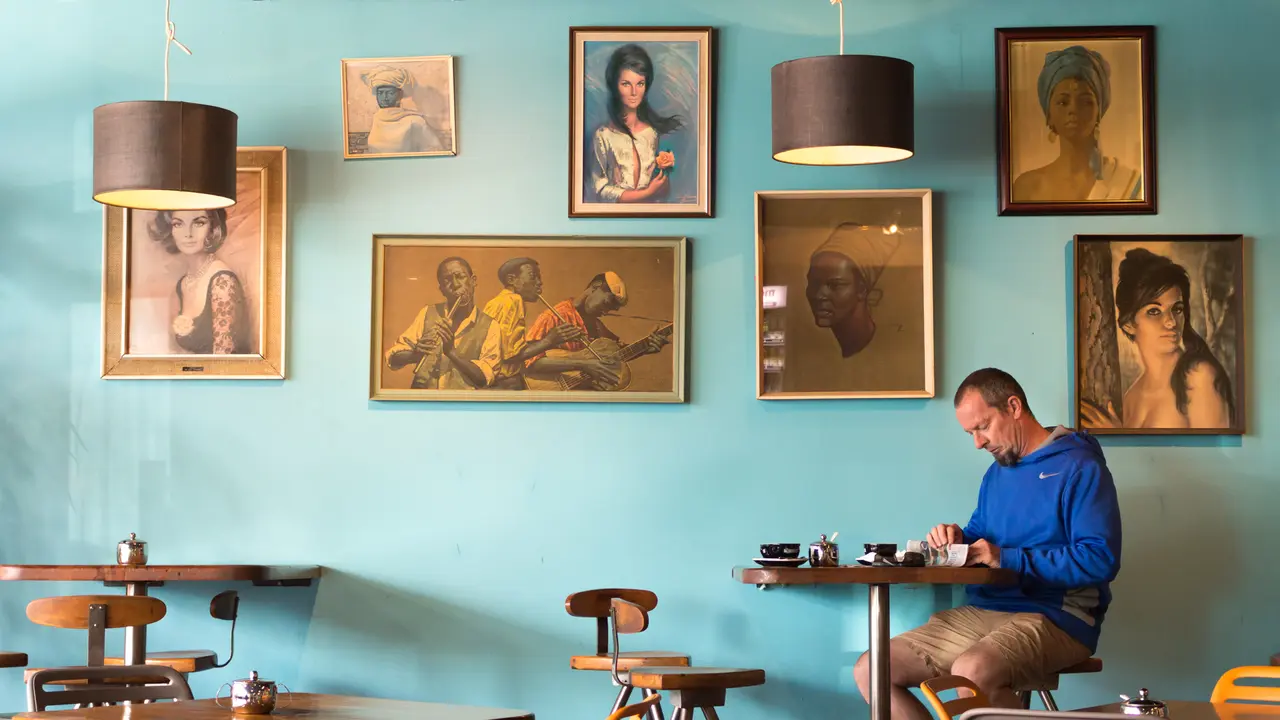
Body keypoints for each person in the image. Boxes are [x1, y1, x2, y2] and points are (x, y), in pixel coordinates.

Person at [853, 368, 1122, 718]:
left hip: (1058, 614)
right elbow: (984, 537)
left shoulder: (1080, 467)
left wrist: (1007, 557)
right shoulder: (997, 473)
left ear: (1013, 407)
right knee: (872, 669)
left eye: (982, 427)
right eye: (970, 433)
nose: (978, 442)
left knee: (973, 670)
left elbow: (1100, 559)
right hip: (985, 611)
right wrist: (958, 539)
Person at [1080, 248, 1234, 429]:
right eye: (1154, 311)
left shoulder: (1199, 377)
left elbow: (1215, 455)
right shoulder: (1130, 398)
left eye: (1176, 309)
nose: (1171, 322)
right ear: (1129, 324)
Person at [1011, 45, 1141, 203]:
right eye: (1063, 102)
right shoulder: (1027, 188)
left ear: (1098, 113)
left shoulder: (1130, 183)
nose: (1073, 109)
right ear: (1049, 115)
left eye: (1085, 102)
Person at [523, 271, 667, 389]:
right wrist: (585, 365)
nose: (606, 312)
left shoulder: (596, 325)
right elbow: (528, 362)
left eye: (611, 309)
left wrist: (645, 347)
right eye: (606, 303)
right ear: (595, 286)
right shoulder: (553, 316)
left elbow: (614, 354)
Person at [384, 257, 506, 390]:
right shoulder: (427, 313)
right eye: (447, 280)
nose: (455, 284)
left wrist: (451, 352)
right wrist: (415, 354)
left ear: (473, 281)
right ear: (441, 289)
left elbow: (484, 378)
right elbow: (393, 357)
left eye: (460, 277)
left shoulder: (490, 326)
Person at [147, 208, 250, 354]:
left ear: (212, 228)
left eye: (199, 223)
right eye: (178, 224)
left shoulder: (222, 282)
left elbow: (224, 363)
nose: (188, 233)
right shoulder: (183, 283)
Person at [590, 43, 682, 203]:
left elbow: (660, 193)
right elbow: (600, 191)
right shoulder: (603, 136)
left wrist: (662, 185)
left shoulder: (651, 133)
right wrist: (647, 193)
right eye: (626, 84)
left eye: (640, 84)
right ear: (615, 86)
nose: (634, 92)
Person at [481, 257, 584, 387]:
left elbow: (502, 347)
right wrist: (550, 340)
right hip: (504, 383)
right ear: (511, 280)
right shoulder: (513, 300)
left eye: (539, 278)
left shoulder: (496, 302)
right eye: (533, 276)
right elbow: (511, 355)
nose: (539, 283)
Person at [806, 222, 902, 358]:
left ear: (862, 290)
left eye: (835, 285)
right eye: (814, 283)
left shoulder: (893, 354)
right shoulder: (814, 357)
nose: (819, 295)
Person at [360, 65, 444, 154]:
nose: (384, 97)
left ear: (400, 95)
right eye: (380, 93)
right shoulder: (377, 119)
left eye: (390, 93)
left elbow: (434, 151)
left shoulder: (415, 121)